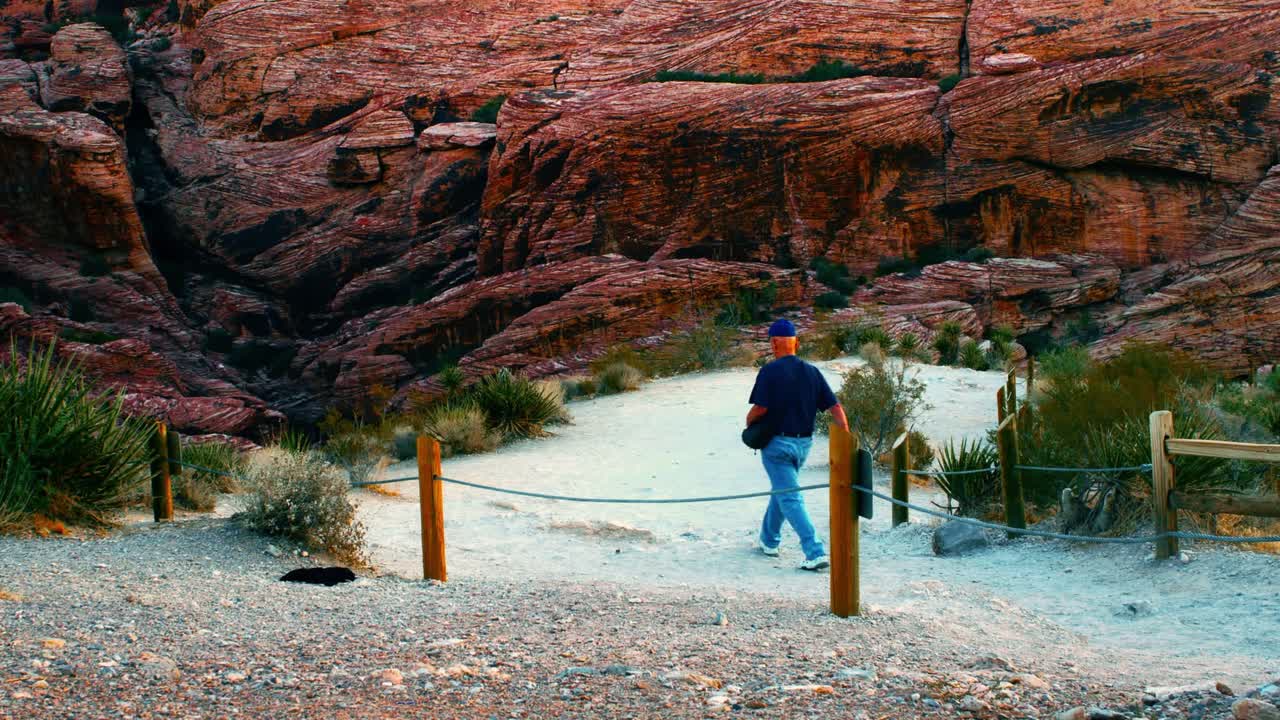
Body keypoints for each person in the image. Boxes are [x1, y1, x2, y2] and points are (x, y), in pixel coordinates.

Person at [746, 318, 850, 571]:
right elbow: (835, 407)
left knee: (789, 496)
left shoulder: (769, 371)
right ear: (797, 343)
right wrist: (845, 435)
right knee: (782, 491)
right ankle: (769, 541)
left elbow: (761, 408)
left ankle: (814, 551)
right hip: (804, 445)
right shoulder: (812, 372)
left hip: (776, 445)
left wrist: (749, 422)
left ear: (773, 343)